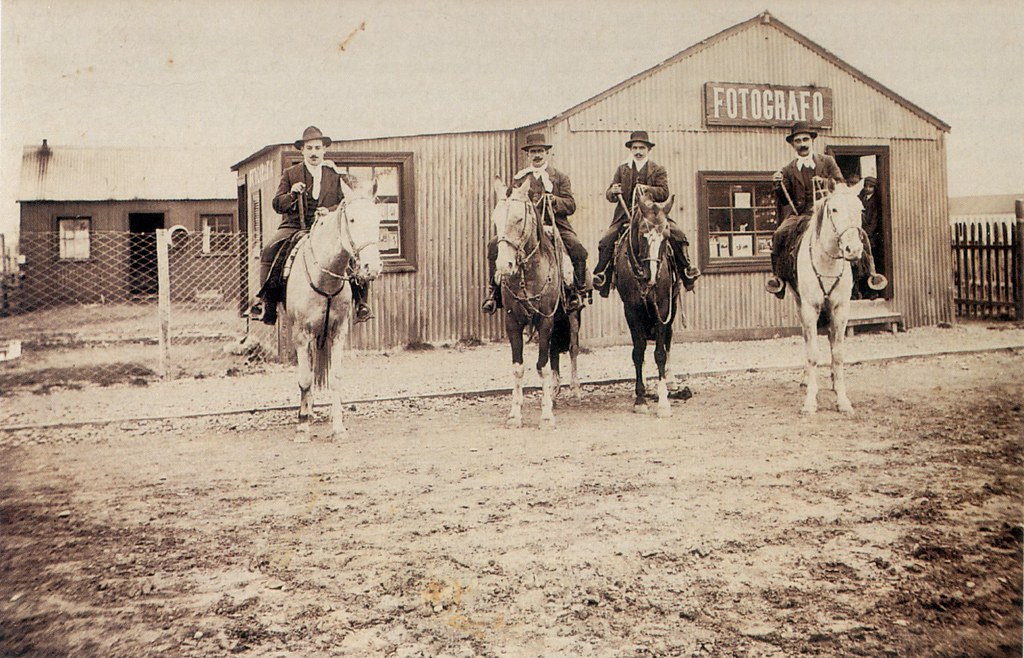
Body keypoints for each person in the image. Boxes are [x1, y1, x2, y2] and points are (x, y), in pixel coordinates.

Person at [248, 126, 373, 325]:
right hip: (295, 227)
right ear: (303, 151)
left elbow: (345, 203)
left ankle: (361, 303)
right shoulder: (291, 173)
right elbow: (277, 204)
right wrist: (292, 194)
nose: (314, 152)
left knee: (354, 251)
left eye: (317, 148)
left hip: (327, 228)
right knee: (269, 250)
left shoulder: (334, 175)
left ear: (324, 150)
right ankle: (266, 303)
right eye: (309, 148)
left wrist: (329, 211)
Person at [765, 122, 886, 298]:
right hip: (802, 215)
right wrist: (778, 185)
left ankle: (869, 274)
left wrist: (828, 184)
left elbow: (840, 182)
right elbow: (785, 199)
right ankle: (779, 278)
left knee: (857, 233)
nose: (802, 144)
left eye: (805, 139)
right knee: (779, 234)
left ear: (812, 141)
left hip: (827, 213)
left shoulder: (827, 162)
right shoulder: (788, 170)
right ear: (793, 145)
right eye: (798, 141)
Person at [482, 133, 588, 314]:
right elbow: (509, 204)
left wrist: (554, 201)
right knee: (493, 245)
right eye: (533, 151)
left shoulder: (559, 178)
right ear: (528, 155)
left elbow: (571, 205)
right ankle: (495, 292)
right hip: (524, 230)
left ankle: (575, 292)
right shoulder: (520, 179)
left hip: (555, 225)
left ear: (546, 153)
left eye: (540, 151)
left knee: (578, 249)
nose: (537, 155)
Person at [591, 130, 699, 298]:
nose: (638, 151)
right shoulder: (622, 170)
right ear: (631, 149)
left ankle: (687, 271)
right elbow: (610, 195)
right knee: (606, 240)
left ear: (648, 149)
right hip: (625, 216)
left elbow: (664, 192)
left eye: (642, 147)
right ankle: (602, 276)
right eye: (635, 148)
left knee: (678, 234)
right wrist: (612, 191)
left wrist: (648, 189)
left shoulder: (658, 170)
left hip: (652, 217)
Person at [856, 175, 885, 299]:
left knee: (871, 264)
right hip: (859, 237)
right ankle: (860, 290)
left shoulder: (875, 203)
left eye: (871, 187)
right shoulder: (860, 199)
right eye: (866, 186)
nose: (868, 189)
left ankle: (872, 291)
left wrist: (866, 233)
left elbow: (874, 221)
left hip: (870, 239)